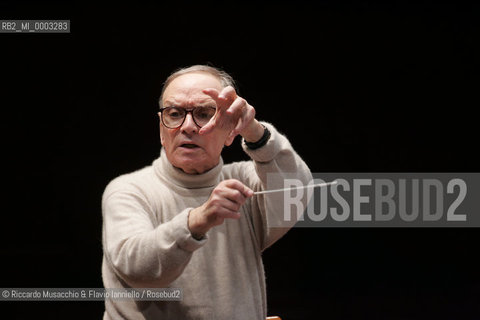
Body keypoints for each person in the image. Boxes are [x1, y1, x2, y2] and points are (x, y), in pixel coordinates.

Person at [101, 65, 312, 319]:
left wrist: (255, 132)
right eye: (175, 113)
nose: (188, 126)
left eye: (204, 113)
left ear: (230, 130)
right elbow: (138, 269)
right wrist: (199, 219)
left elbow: (297, 194)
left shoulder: (244, 180)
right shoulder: (128, 190)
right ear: (161, 129)